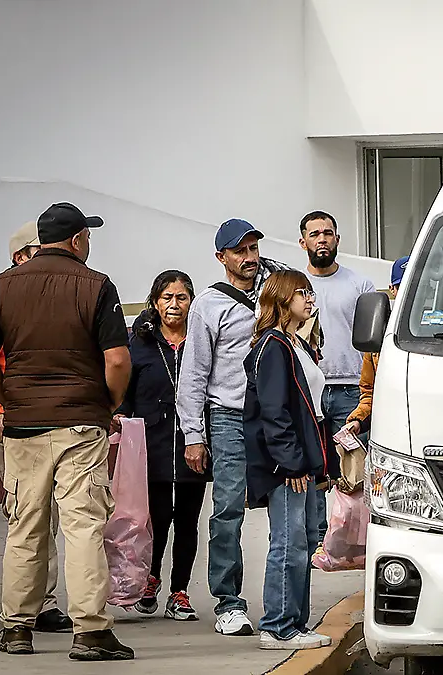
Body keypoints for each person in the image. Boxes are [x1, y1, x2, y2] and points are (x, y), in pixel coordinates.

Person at [0, 202, 134, 660]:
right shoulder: (97, 285)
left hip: (24, 426)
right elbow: (118, 359)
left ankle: (16, 629)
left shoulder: (3, 285)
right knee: (83, 526)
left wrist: (10, 400)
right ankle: (91, 632)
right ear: (78, 238)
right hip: (81, 423)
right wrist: (110, 401)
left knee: (25, 526)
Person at [0, 221, 71, 634]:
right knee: (27, 516)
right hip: (14, 423)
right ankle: (26, 609)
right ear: (21, 257)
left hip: (52, 420)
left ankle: (41, 603)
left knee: (52, 517)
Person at [243, 270, 340, 650]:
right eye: (303, 292)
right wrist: (291, 463)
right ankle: (277, 625)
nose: (310, 298)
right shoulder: (273, 347)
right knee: (289, 542)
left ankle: (295, 623)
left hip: (302, 460)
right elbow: (274, 411)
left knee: (304, 540)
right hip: (286, 465)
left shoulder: (295, 343)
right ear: (282, 299)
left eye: (311, 292)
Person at [175, 218, 264, 637]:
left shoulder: (275, 291)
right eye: (239, 251)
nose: (249, 258)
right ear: (221, 257)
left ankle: (287, 599)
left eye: (253, 248)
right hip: (228, 416)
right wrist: (193, 435)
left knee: (289, 504)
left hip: (274, 417)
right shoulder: (207, 305)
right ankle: (229, 601)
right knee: (228, 508)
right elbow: (193, 373)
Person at [115, 270, 211, 622]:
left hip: (193, 441)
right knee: (156, 518)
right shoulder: (139, 341)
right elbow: (124, 390)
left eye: (182, 297)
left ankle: (180, 592)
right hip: (151, 443)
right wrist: (120, 415)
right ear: (155, 302)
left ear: (191, 302)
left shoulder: (200, 338)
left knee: (187, 519)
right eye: (167, 297)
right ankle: (150, 578)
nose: (174, 304)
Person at [297, 210, 375, 548]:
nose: (322, 239)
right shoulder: (295, 286)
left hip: (350, 389)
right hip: (308, 388)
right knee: (313, 467)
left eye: (328, 233)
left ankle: (353, 539)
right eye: (314, 234)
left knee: (353, 467)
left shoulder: (360, 285)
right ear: (303, 242)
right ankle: (316, 541)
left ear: (338, 240)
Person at [340, 256, 408, 444]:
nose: (410, 291)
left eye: (415, 284)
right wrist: (357, 420)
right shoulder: (379, 334)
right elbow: (370, 393)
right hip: (390, 434)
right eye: (402, 286)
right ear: (392, 290)